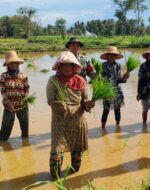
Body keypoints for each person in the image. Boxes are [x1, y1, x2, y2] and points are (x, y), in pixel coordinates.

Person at [46, 51, 95, 179]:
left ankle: (74, 179)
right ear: (59, 66)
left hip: (78, 119)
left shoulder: (81, 81)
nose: (67, 68)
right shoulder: (53, 80)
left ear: (74, 67)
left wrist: (88, 103)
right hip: (60, 121)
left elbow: (84, 100)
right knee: (57, 151)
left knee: (77, 154)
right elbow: (50, 100)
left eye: (70, 65)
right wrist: (58, 104)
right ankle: (55, 179)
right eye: (64, 65)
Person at [0, 51, 30, 141]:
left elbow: (27, 88)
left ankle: (25, 148)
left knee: (25, 132)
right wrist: (7, 101)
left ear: (18, 64)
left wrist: (25, 98)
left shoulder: (23, 76)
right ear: (7, 65)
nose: (14, 65)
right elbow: (2, 91)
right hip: (9, 106)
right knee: (4, 135)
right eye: (11, 63)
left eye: (15, 63)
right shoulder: (3, 76)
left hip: (23, 106)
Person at [100, 46, 129, 128]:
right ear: (106, 56)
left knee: (117, 109)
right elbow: (99, 79)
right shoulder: (103, 65)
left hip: (117, 90)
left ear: (115, 56)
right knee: (106, 110)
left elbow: (119, 80)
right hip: (107, 90)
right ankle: (102, 127)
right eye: (110, 55)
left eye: (113, 55)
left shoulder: (118, 65)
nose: (111, 57)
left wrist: (124, 77)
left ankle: (118, 126)